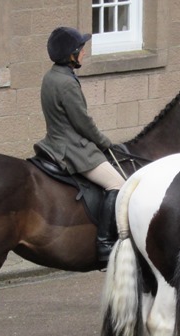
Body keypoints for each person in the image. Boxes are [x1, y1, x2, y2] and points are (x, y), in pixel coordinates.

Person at [36, 26, 124, 262]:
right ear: (71, 54)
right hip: (73, 149)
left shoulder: (50, 76)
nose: (84, 53)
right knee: (117, 184)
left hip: (53, 141)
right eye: (81, 49)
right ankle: (105, 243)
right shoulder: (67, 83)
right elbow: (83, 122)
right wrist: (104, 142)